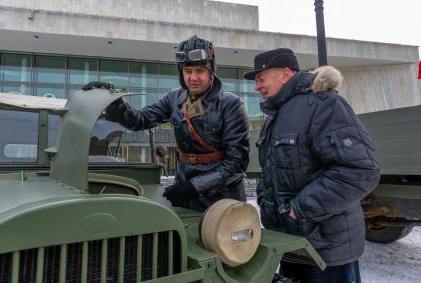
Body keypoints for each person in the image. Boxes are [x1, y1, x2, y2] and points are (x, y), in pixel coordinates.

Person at [244, 48, 380, 283]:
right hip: (290, 244)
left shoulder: (324, 104)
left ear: (285, 74)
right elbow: (272, 172)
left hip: (326, 250)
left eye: (260, 78)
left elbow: (360, 171)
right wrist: (267, 203)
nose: (257, 86)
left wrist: (299, 210)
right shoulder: (275, 116)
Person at [83, 35, 250, 211]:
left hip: (222, 197)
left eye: (200, 71)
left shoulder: (230, 104)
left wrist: (196, 186)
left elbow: (237, 163)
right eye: (187, 71)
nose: (193, 78)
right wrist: (113, 100)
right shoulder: (174, 98)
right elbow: (139, 120)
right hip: (183, 191)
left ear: (211, 71)